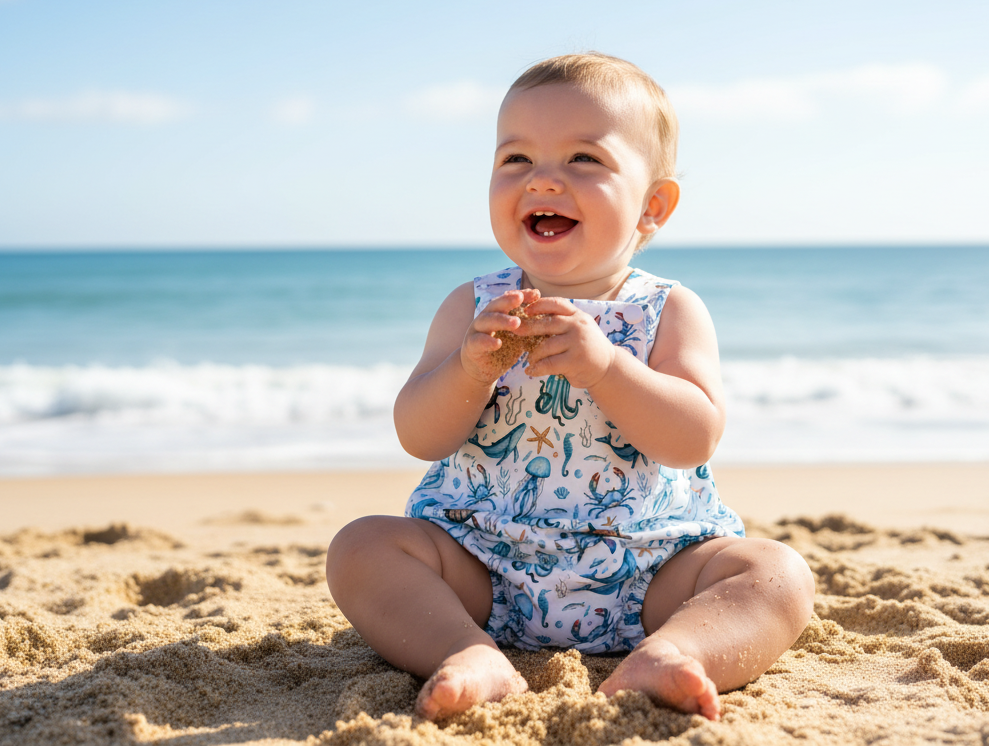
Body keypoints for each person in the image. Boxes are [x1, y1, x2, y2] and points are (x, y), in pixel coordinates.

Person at [326, 53, 814, 722]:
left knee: (777, 574)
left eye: (584, 159)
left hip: (647, 568)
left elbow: (693, 435)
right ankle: (468, 651)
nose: (544, 180)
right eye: (517, 160)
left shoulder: (666, 310)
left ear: (653, 206)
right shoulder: (470, 306)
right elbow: (419, 434)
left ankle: (672, 652)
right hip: (481, 564)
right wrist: (470, 372)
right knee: (362, 547)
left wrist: (607, 368)